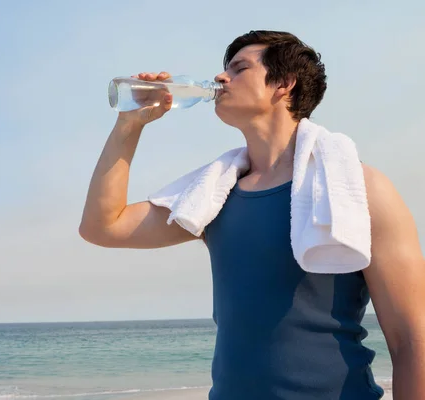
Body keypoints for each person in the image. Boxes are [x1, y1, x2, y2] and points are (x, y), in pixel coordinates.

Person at [79, 30, 425, 399]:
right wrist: (129, 125)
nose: (221, 78)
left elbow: (412, 339)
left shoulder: (358, 188)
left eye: (239, 68)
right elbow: (103, 227)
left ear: (284, 84)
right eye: (223, 69)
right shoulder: (212, 196)